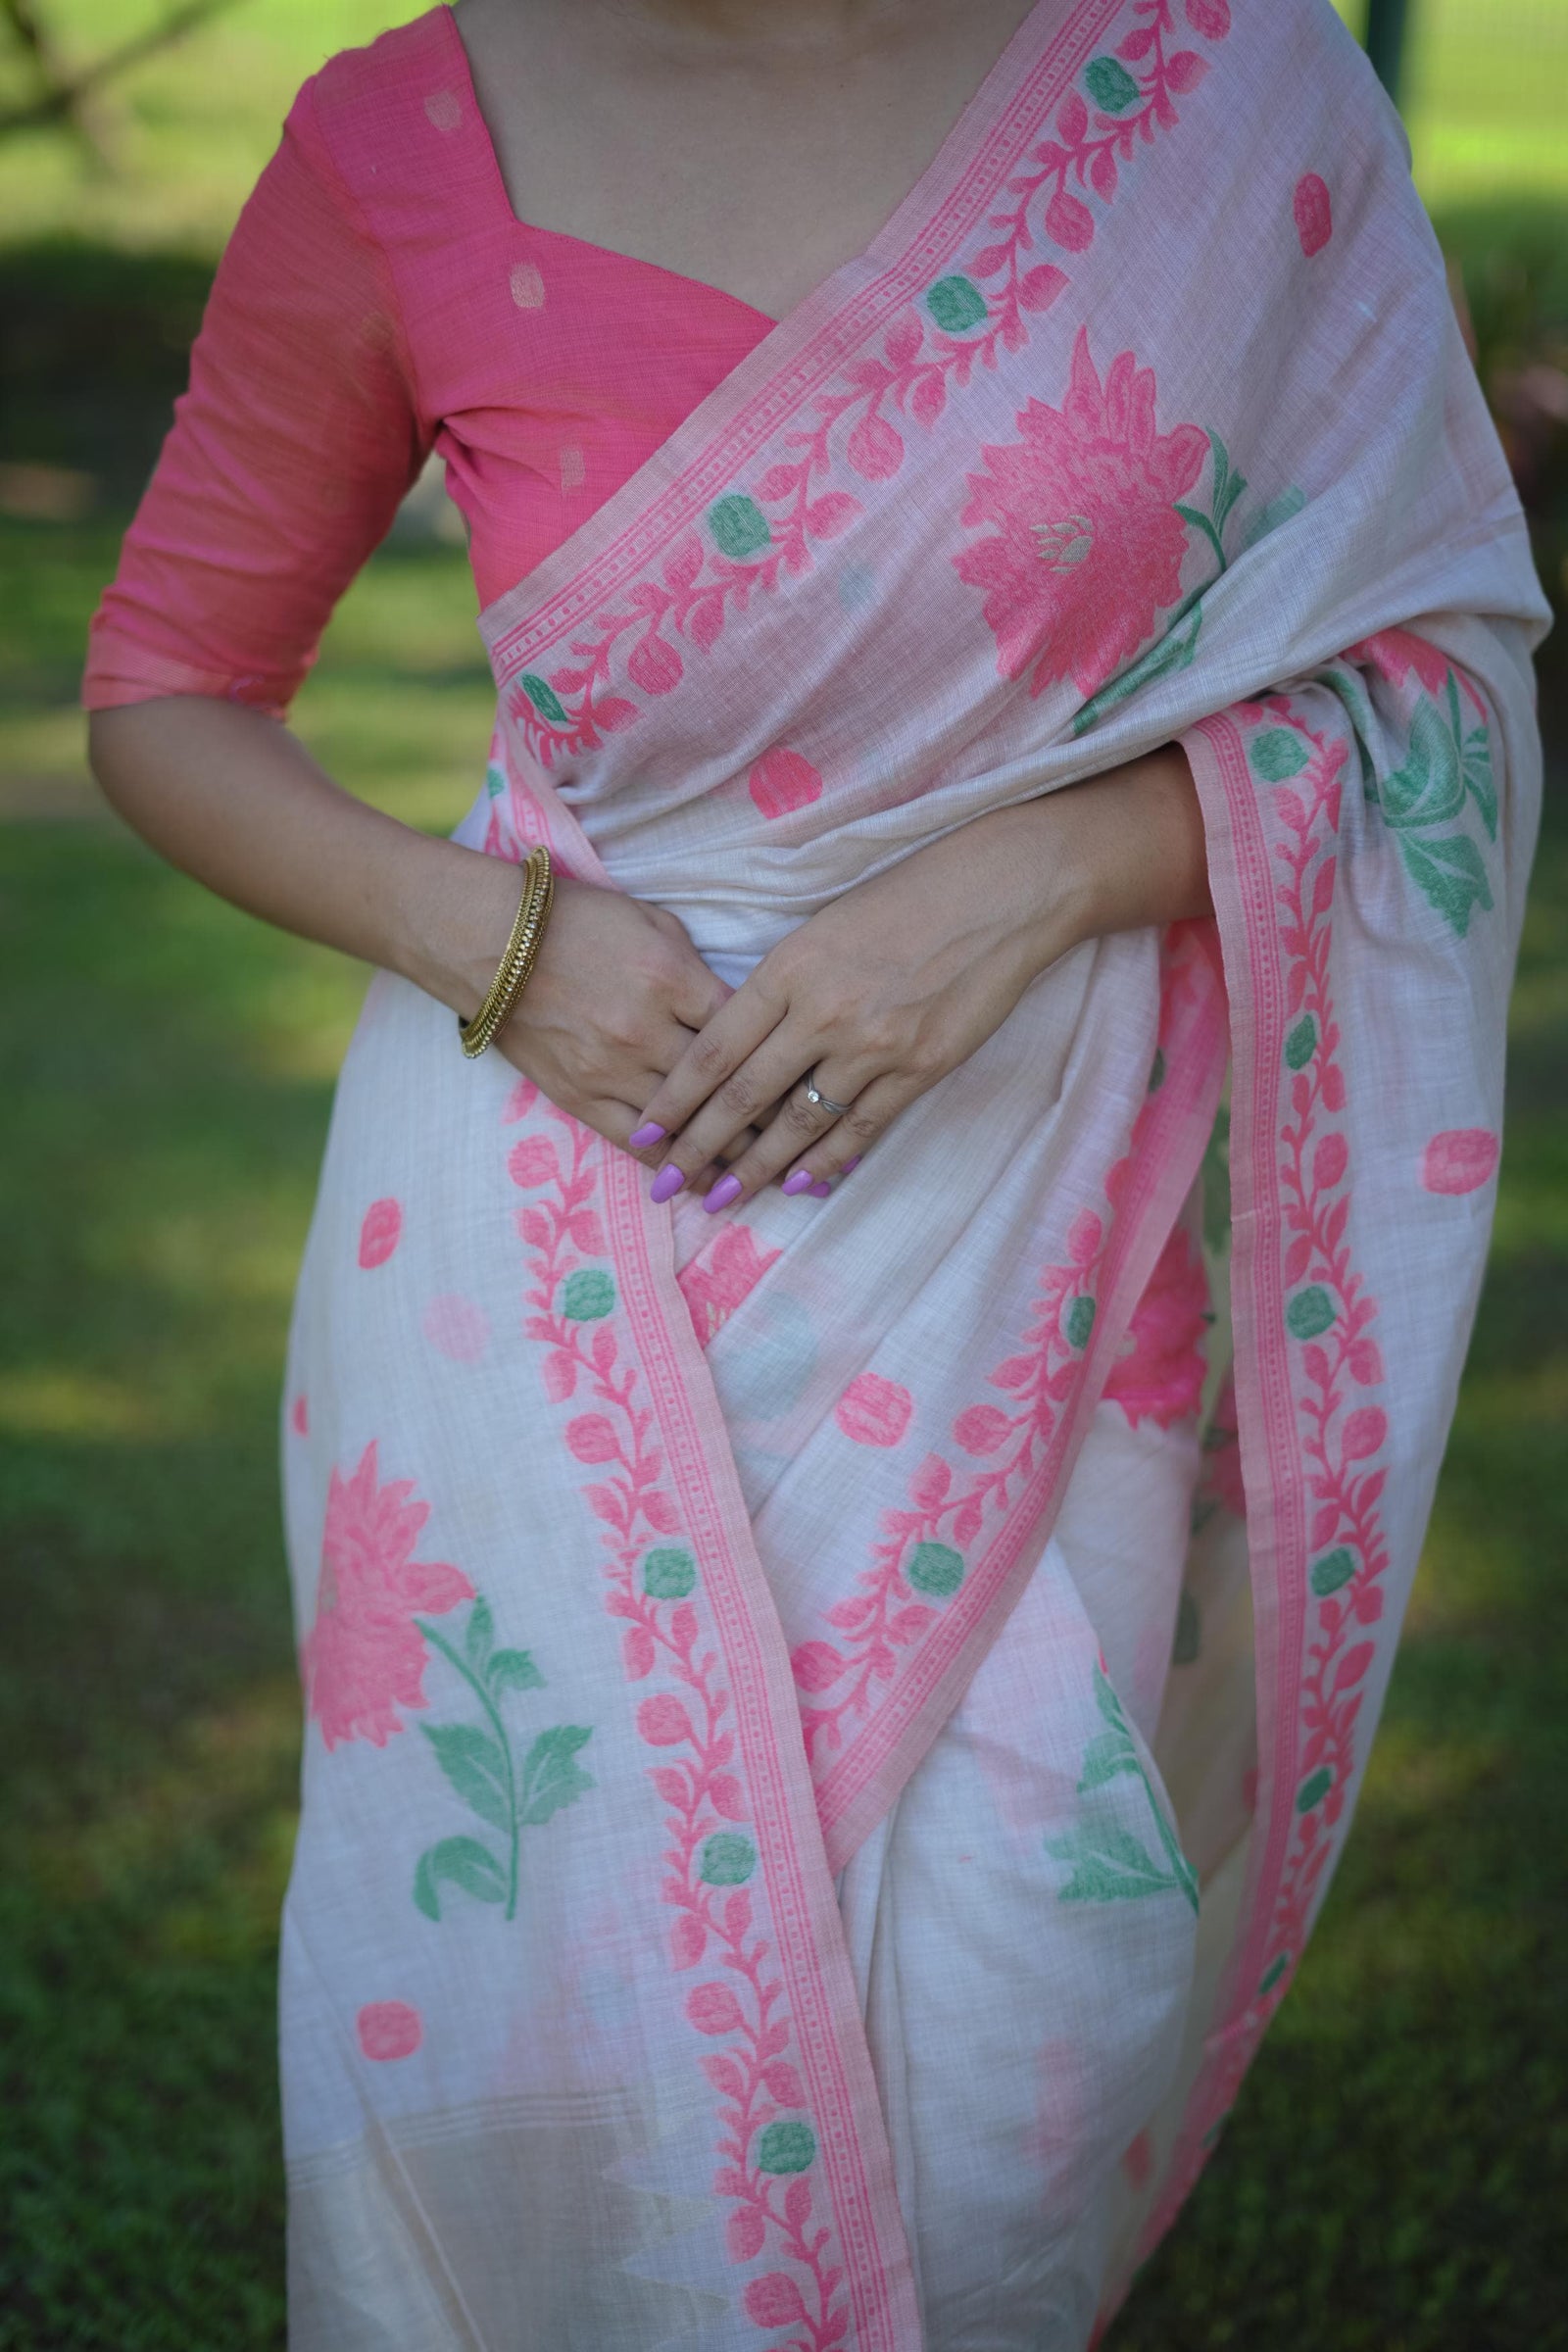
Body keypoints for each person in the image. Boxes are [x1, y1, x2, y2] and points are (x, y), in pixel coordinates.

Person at [84, 1, 1547, 2344]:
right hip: (539, 1236)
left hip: (1032, 1230)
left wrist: (1035, 878)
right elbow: (168, 691)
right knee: (535, 2034)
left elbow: (1431, 678)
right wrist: (505, 941)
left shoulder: (1218, 89)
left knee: (1007, 2055)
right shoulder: (402, 139)